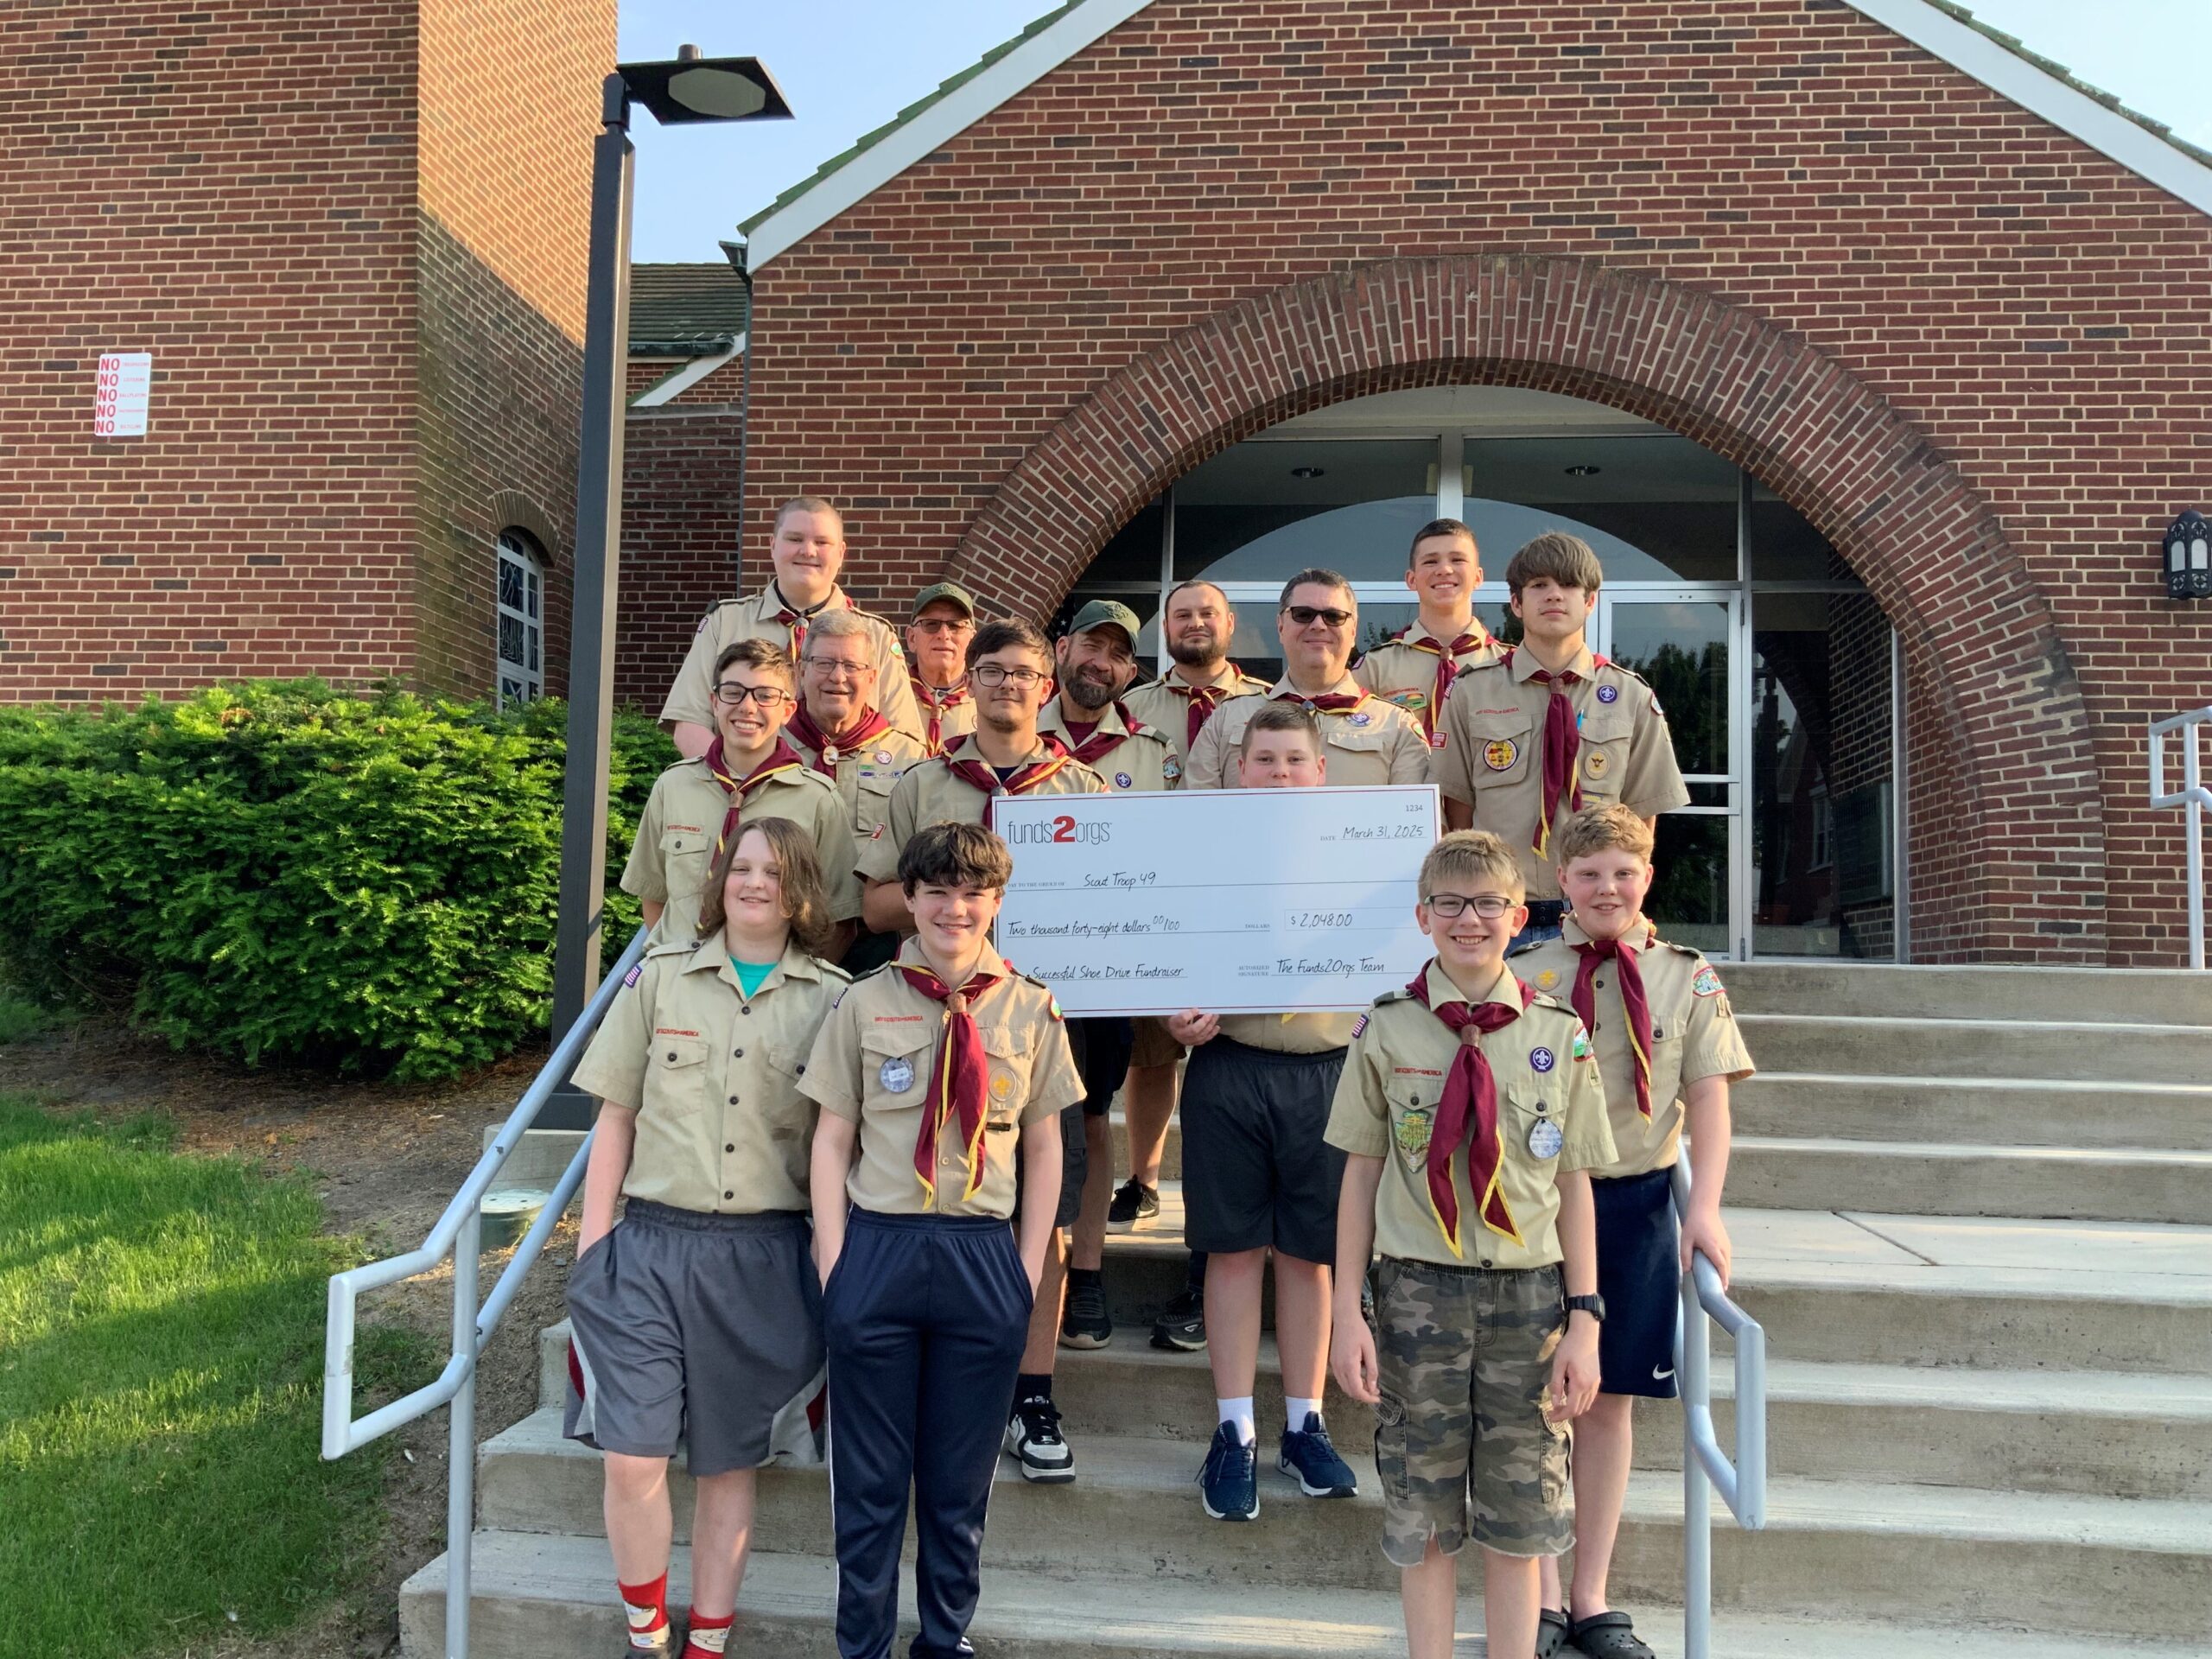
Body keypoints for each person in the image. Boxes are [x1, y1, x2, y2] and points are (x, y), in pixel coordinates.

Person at [563, 818, 850, 1659]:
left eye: (774, 872)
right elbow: (615, 1118)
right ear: (720, 880)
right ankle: (647, 1634)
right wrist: (592, 1249)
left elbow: (842, 1145)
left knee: (729, 1465)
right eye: (741, 867)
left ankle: (708, 1643)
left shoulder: (833, 1000)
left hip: (765, 1258)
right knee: (631, 1456)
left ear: (800, 893)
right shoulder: (660, 979)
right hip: (648, 1251)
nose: (754, 883)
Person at [1325, 830, 1614, 1659]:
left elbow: (1573, 1184)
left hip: (1530, 1300)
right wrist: (1347, 1312)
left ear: (1520, 917)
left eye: (1490, 903)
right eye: (1449, 904)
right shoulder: (1388, 1029)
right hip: (1418, 1294)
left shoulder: (1559, 1031)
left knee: (1520, 1520)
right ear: (1422, 916)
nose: (1469, 920)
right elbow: (1359, 1177)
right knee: (1421, 1512)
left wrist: (1585, 1320)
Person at [803, 822, 1084, 1659]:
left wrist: (1024, 1270)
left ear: (996, 901)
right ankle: (862, 1644)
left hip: (979, 1255)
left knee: (959, 1484)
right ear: (910, 900)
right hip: (879, 1249)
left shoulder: (1031, 1008)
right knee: (868, 1481)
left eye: (972, 894)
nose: (953, 909)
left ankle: (943, 1636)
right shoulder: (863, 1002)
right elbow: (830, 1140)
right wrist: (834, 1265)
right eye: (935, 892)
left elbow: (1045, 1148)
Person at [855, 615, 1109, 1482]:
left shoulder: (1083, 788)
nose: (1007, 686)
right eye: (991, 671)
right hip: (927, 1019)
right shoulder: (923, 783)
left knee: (1047, 1211)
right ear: (967, 683)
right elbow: (874, 903)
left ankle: (1032, 1391)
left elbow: (1123, 907)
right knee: (930, 1194)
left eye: (1023, 674)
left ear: (1047, 686)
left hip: (1040, 1024)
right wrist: (960, 896)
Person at [1512, 804, 1754, 1659]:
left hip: (1637, 1204)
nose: (1607, 889)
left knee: (1608, 1400)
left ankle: (1590, 1595)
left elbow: (1710, 1097)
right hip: (1534, 1208)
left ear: (1647, 876)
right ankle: (1538, 1596)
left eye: (1623, 873)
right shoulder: (1522, 972)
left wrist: (1704, 1207)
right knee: (1531, 1402)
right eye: (1588, 875)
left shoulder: (1687, 977)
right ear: (1561, 882)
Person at [1166, 703, 1363, 1522]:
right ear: (1239, 770)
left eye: (1294, 760)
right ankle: (1235, 1430)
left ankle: (1305, 1425)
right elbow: (1161, 946)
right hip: (1230, 1066)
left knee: (1311, 1256)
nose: (1280, 774)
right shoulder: (1197, 856)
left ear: (1321, 772)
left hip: (1329, 1071)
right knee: (1234, 1251)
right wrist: (1173, 1012)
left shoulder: (1366, 856)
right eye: (1266, 760)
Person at [1118, 578, 1269, 1348]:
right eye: (1181, 614)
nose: (1195, 623)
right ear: (1165, 629)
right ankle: (1144, 1178)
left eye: (1207, 613)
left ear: (1230, 623)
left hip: (1237, 903)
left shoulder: (1266, 707)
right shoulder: (1135, 709)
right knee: (1153, 1052)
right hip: (1158, 896)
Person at [1432, 531, 1688, 947]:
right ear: (1516, 603)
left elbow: (1642, 816)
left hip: (1593, 918)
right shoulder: (1471, 692)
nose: (1554, 595)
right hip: (1500, 917)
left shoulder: (1631, 696)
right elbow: (1457, 810)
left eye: (1568, 584)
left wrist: (1626, 901)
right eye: (1539, 585)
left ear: (1590, 601)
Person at [1041, 599, 1170, 1353]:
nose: (1102, 662)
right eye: (1092, 644)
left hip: (1103, 974)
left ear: (1131, 671)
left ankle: (1085, 1273)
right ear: (1062, 649)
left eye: (1119, 654)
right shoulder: (1010, 730)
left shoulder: (1154, 753)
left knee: (1091, 1119)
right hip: (1016, 973)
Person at [624, 639, 862, 949]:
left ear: (788, 710)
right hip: (680, 974)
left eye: (765, 696)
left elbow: (840, 919)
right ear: (715, 702)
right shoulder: (673, 787)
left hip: (774, 976)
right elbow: (654, 897)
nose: (748, 707)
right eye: (733, 692)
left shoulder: (818, 799)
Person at [660, 497, 920, 757]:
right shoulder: (724, 623)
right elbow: (689, 723)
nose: (808, 551)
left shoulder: (876, 635)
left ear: (841, 553)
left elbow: (905, 741)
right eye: (795, 539)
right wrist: (735, 777)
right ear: (773, 546)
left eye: (822, 542)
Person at [1185, 567, 1430, 790]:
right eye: (1303, 614)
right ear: (1281, 626)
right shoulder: (1225, 720)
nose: (1319, 625)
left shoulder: (1398, 727)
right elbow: (1193, 815)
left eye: (1334, 616)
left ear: (1354, 630)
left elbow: (1415, 819)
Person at [788, 610, 931, 977]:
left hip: (878, 949)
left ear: (871, 677)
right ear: (801, 671)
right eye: (824, 663)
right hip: (781, 943)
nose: (838, 677)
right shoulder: (772, 749)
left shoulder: (910, 757)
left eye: (852, 666)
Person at [1352, 518, 1502, 748]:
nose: (1444, 570)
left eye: (1458, 559)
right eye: (1431, 562)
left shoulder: (1508, 665)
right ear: (1411, 580)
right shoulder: (1375, 668)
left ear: (1478, 577)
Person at [906, 582, 980, 754]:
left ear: (972, 640)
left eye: (956, 626)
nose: (944, 635)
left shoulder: (987, 699)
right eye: (931, 624)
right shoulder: (889, 696)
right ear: (912, 638)